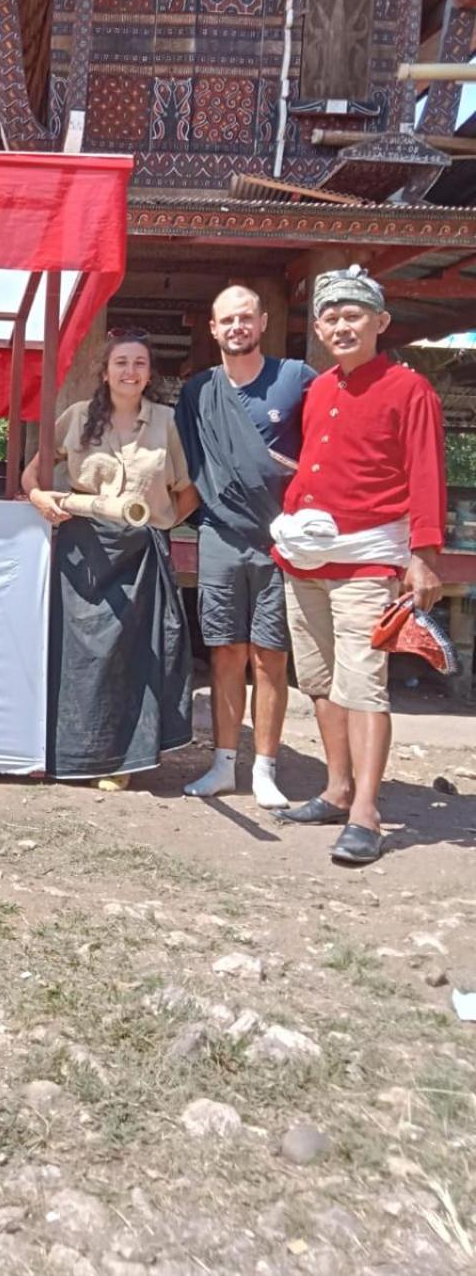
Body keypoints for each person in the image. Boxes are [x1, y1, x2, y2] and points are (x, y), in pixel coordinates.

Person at [270, 266, 445, 866]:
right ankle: (337, 787)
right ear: (318, 327)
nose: (341, 325)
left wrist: (422, 555)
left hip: (369, 562)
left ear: (380, 322)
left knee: (364, 684)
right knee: (319, 681)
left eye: (353, 315)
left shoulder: (409, 389)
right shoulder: (319, 390)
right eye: (331, 317)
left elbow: (425, 473)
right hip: (307, 559)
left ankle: (367, 812)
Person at [22, 328, 198, 788]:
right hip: (83, 554)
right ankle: (67, 752)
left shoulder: (167, 421)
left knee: (132, 657)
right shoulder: (78, 417)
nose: (130, 371)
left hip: (141, 553)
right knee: (79, 655)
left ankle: (121, 761)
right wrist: (42, 500)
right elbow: (32, 475)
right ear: (104, 372)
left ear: (149, 374)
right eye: (121, 362)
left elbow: (188, 492)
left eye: (139, 363)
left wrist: (156, 526)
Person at [176, 286, 316, 809]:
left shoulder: (296, 379)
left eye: (245, 318)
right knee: (225, 651)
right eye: (225, 320)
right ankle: (222, 764)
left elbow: (326, 445)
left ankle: (266, 768)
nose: (236, 327)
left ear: (261, 322)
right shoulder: (197, 392)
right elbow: (188, 466)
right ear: (212, 329)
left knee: (271, 656)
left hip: (279, 539)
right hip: (220, 534)